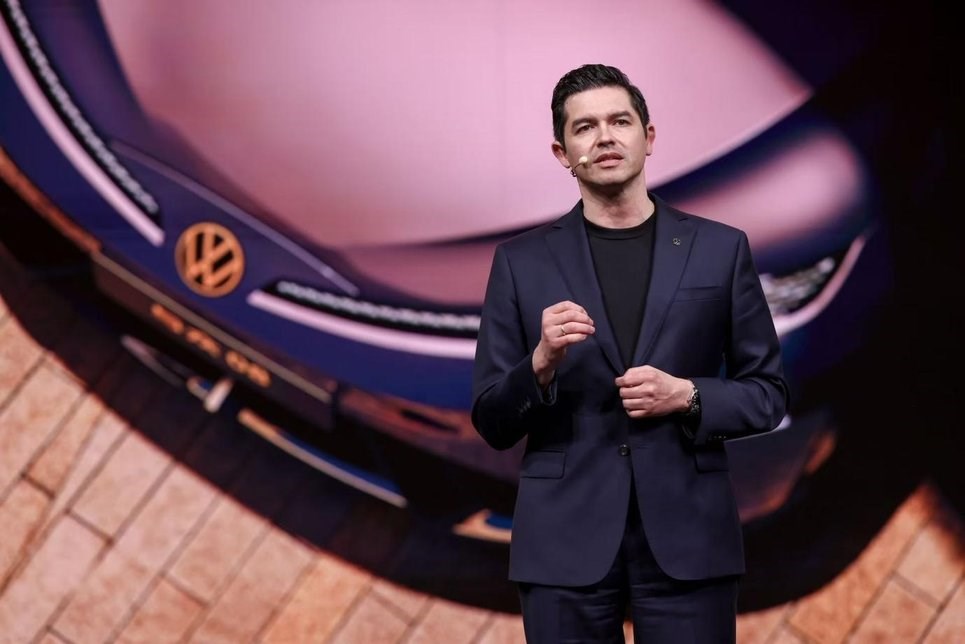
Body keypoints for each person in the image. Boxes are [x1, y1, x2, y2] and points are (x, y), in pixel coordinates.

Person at [471, 63, 789, 643]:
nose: (605, 137)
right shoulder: (520, 262)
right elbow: (491, 420)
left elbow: (767, 395)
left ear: (649, 136)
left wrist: (687, 396)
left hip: (689, 539)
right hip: (563, 542)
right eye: (585, 127)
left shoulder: (719, 249)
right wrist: (540, 364)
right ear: (562, 153)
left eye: (620, 121)